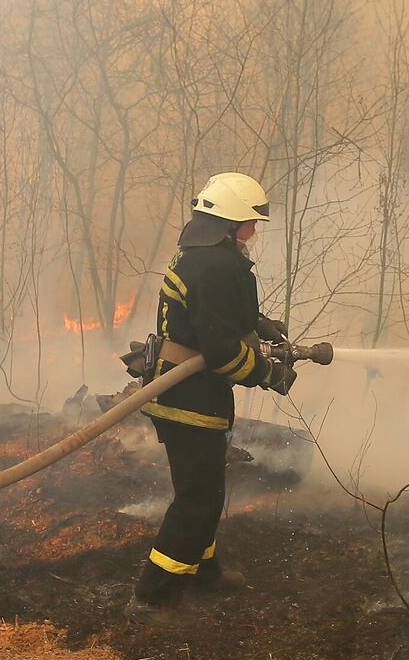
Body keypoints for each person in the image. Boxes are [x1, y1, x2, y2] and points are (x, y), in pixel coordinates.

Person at [126, 172, 297, 622]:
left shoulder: (202, 258)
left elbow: (213, 312)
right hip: (190, 399)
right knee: (197, 500)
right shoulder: (217, 265)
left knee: (204, 490)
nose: (254, 232)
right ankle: (153, 596)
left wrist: (258, 324)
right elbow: (222, 352)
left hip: (182, 391)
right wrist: (266, 372)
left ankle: (203, 572)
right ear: (228, 223)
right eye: (250, 223)